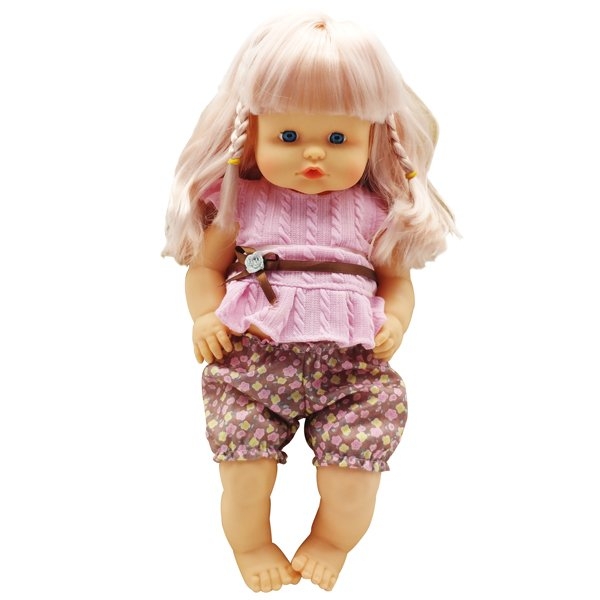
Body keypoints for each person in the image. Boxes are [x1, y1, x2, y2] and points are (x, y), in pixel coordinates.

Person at [162, 11, 457, 592]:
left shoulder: (377, 211)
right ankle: (252, 545)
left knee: (354, 481)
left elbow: (396, 281)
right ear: (252, 134)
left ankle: (330, 541)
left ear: (374, 139)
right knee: (245, 477)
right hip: (251, 364)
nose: (313, 155)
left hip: (352, 370)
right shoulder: (238, 201)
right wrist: (204, 315)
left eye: (339, 139)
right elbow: (206, 268)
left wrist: (396, 320)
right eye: (289, 138)